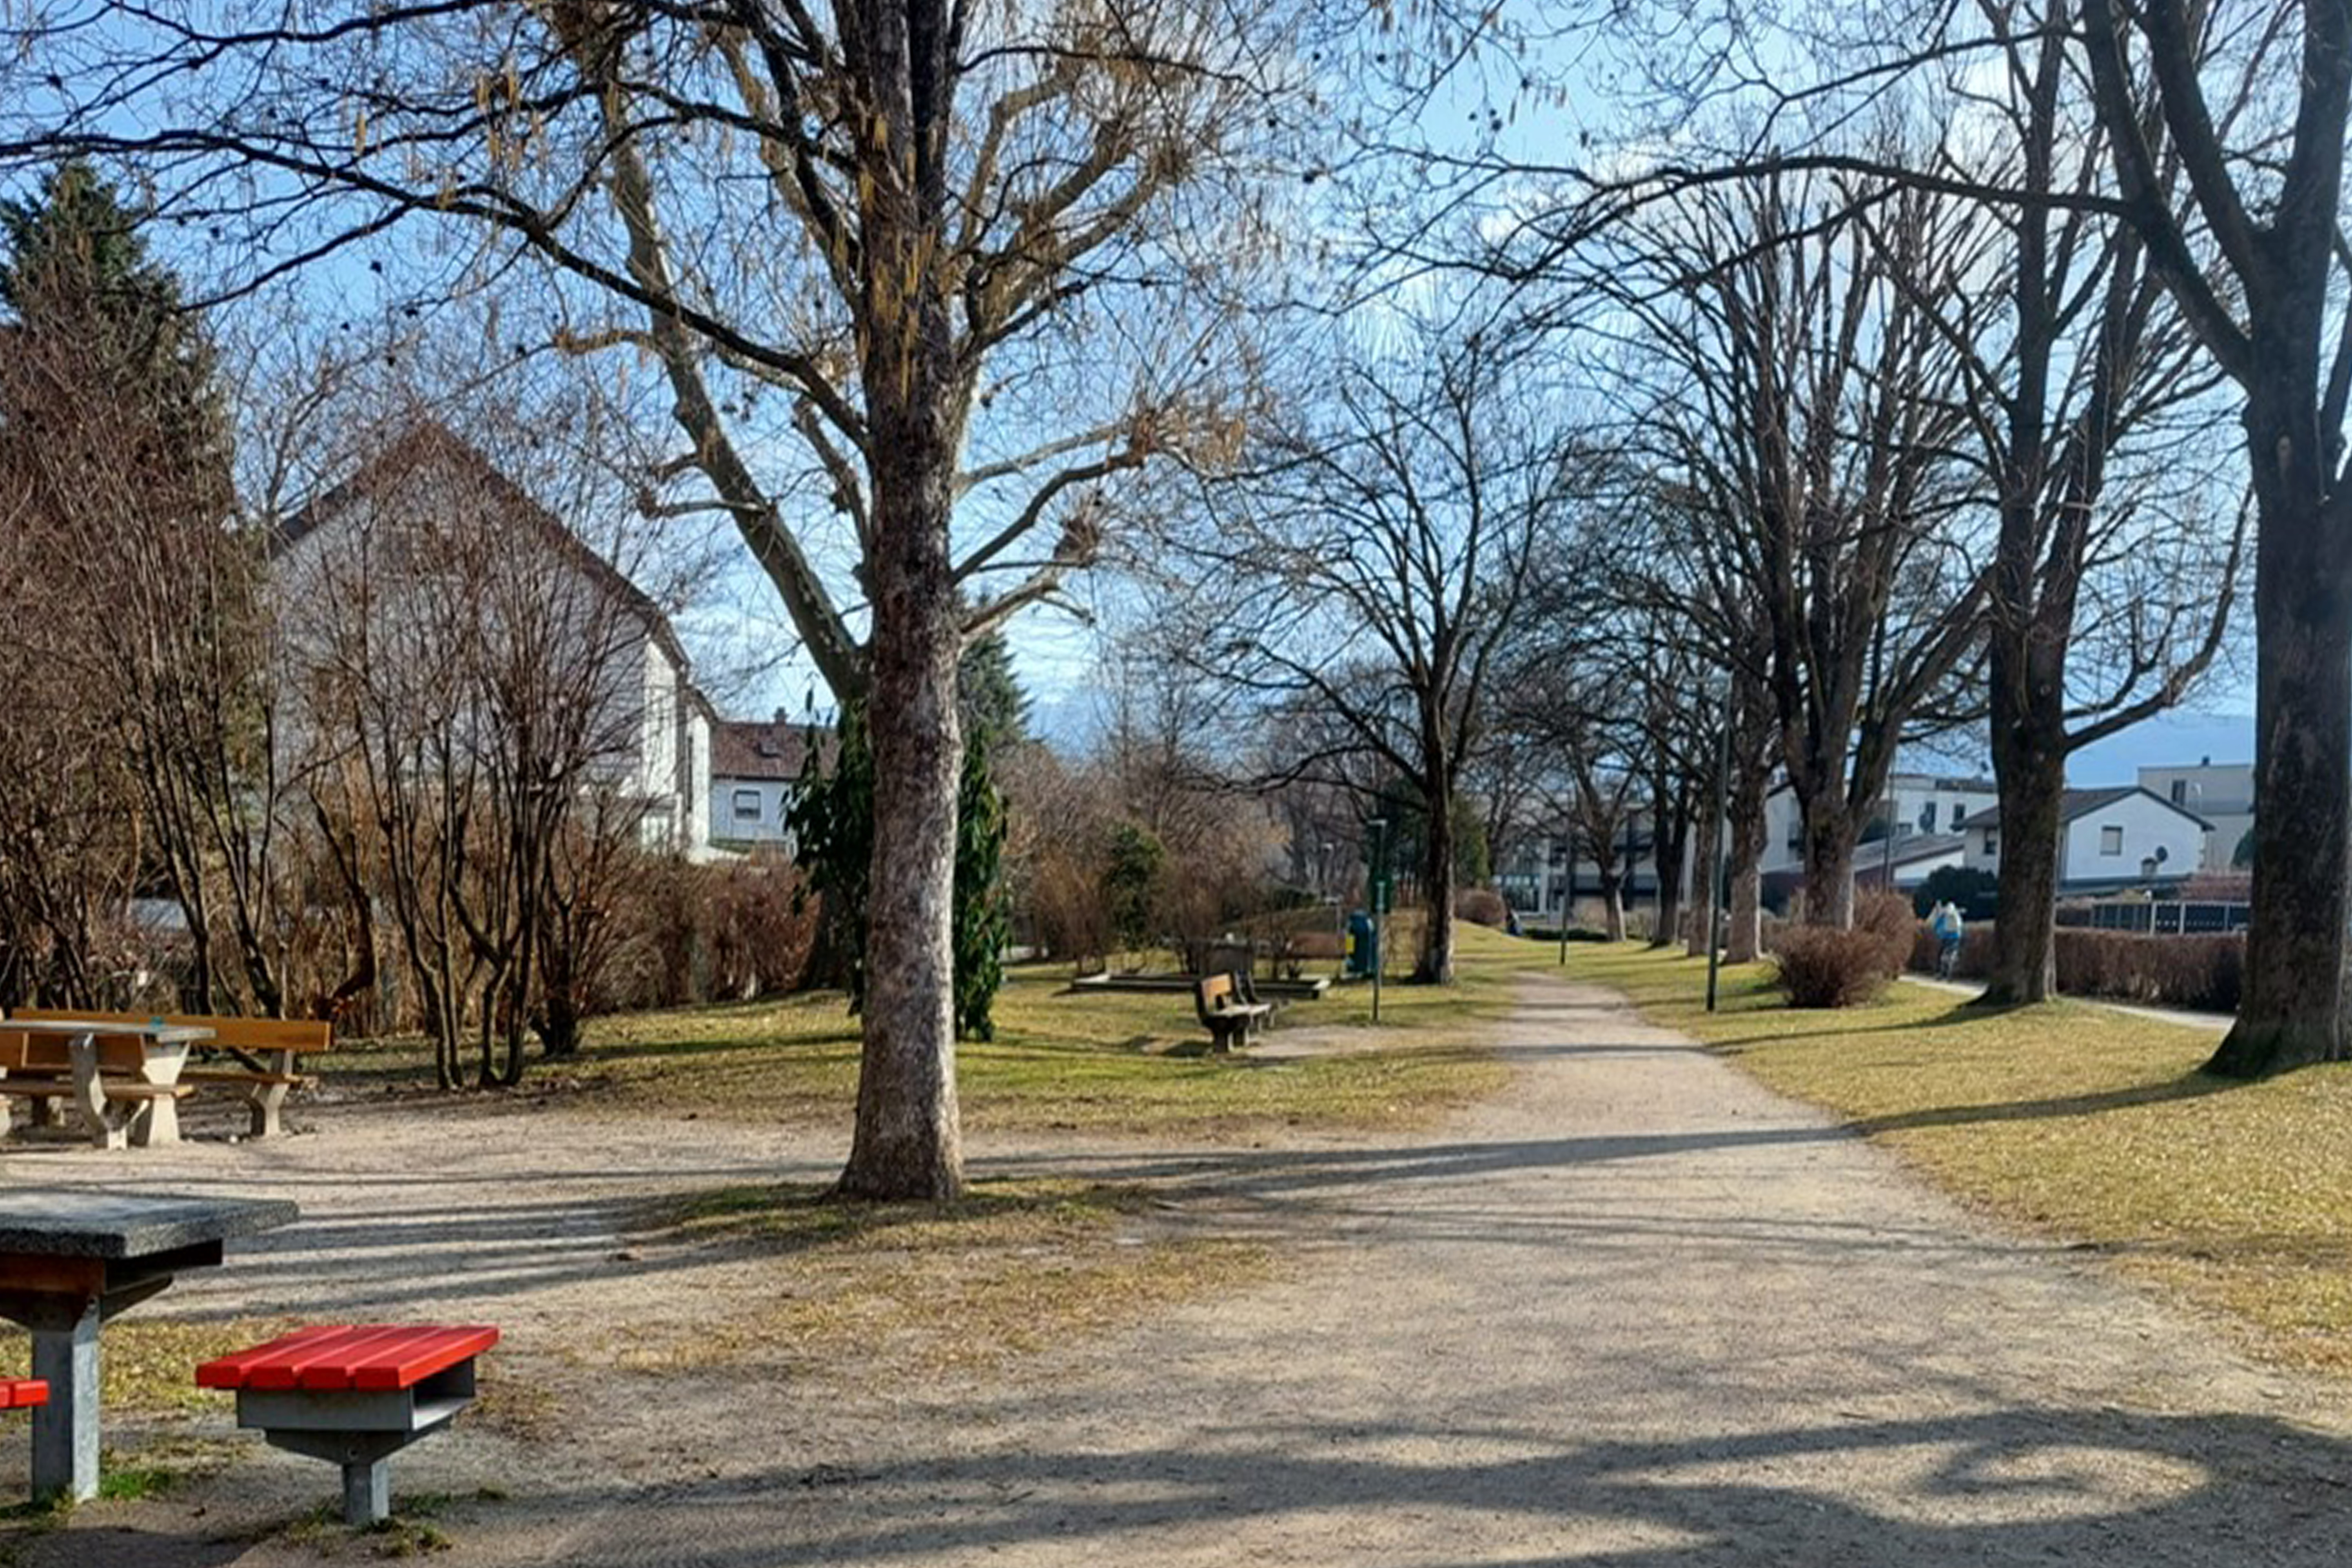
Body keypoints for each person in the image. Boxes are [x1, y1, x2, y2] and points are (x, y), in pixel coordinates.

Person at [1929, 899, 1964, 979]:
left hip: (1946, 937)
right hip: (1956, 937)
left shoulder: (1944, 915)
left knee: (1942, 954)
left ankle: (1940, 973)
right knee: (1953, 953)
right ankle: (1951, 969)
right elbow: (1960, 925)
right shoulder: (1956, 914)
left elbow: (1937, 925)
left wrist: (1937, 932)